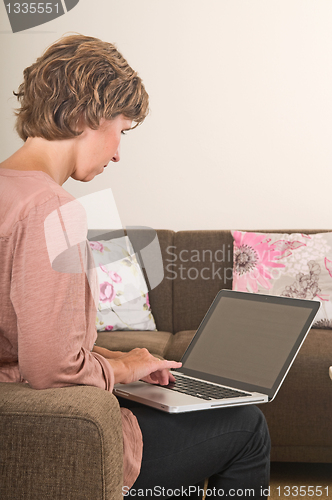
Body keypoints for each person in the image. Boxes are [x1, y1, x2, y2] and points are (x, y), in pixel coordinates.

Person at [0, 34, 270, 498]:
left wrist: (119, 358)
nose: (119, 154)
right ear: (87, 114)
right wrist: (122, 374)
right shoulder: (51, 208)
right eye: (120, 131)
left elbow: (20, 341)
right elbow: (51, 369)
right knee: (247, 427)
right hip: (55, 430)